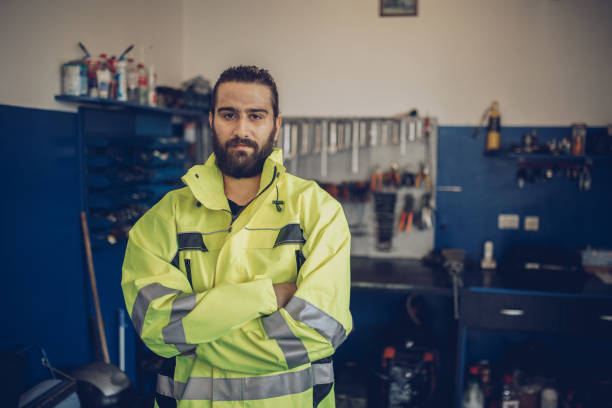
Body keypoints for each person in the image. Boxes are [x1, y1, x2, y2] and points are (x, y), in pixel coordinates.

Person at [122, 65, 352, 408]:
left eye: (255, 116)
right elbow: (155, 326)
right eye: (229, 114)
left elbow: (319, 332)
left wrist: (198, 331)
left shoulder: (317, 210)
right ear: (211, 119)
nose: (241, 129)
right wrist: (266, 297)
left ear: (276, 123)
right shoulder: (166, 217)